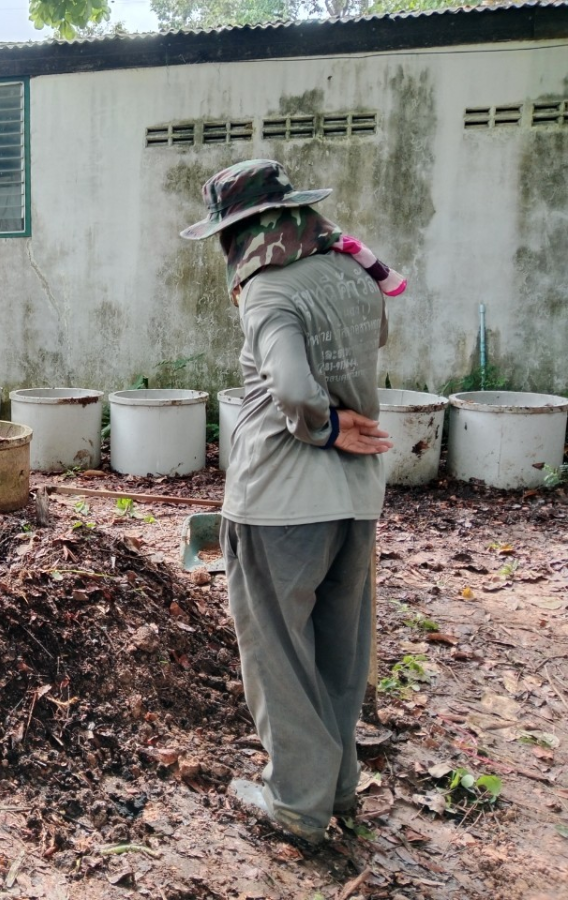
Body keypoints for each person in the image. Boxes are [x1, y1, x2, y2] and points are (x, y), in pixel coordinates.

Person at [180, 159, 400, 844]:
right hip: (355, 501)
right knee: (340, 650)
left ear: (240, 233)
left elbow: (296, 390)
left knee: (278, 654)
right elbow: (371, 347)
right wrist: (345, 425)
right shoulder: (349, 276)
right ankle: (336, 790)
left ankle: (296, 804)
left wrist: (326, 427)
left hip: (278, 502)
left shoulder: (267, 292)